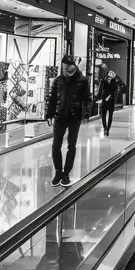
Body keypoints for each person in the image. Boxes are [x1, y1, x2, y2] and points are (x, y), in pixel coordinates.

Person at [46, 54, 91, 188]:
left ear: (75, 67)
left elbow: (87, 98)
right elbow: (53, 98)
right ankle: (58, 172)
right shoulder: (58, 80)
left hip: (74, 117)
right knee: (56, 145)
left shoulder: (82, 80)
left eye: (70, 70)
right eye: (65, 69)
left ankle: (66, 173)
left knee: (71, 145)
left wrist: (86, 114)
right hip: (60, 116)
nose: (68, 73)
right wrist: (49, 114)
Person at [97, 69, 118, 136]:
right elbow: (100, 89)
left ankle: (108, 129)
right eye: (109, 76)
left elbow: (115, 92)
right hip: (104, 100)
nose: (110, 77)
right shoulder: (103, 81)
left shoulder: (114, 82)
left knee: (110, 116)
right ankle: (105, 128)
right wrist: (98, 97)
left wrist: (114, 99)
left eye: (111, 76)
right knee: (103, 115)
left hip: (111, 100)